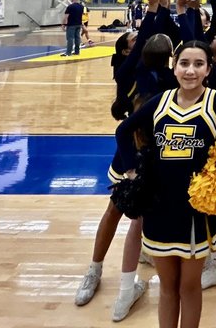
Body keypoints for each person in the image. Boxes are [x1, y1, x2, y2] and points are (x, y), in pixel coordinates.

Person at [116, 40, 216, 328]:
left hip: (196, 209)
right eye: (184, 63)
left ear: (208, 69)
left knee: (189, 286)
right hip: (159, 206)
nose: (190, 71)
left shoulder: (215, 101)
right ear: (175, 67)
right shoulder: (159, 102)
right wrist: (133, 172)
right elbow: (123, 131)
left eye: (198, 64)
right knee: (167, 287)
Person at [75, 28, 152, 321]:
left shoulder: (156, 69)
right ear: (125, 51)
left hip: (153, 150)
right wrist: (153, 9)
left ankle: (131, 276)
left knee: (142, 216)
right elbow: (148, 36)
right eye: (134, 41)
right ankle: (94, 270)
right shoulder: (126, 71)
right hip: (130, 151)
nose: (141, 41)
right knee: (114, 211)